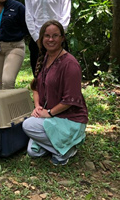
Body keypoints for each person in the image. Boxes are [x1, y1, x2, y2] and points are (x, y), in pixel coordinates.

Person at [22, 20, 88, 166]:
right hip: (51, 115)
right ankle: (57, 146)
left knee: (28, 125)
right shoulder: (45, 58)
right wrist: (38, 106)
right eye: (47, 36)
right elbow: (36, 87)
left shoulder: (70, 64)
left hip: (70, 119)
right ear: (41, 38)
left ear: (62, 38)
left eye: (55, 36)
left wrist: (49, 113)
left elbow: (70, 100)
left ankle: (66, 150)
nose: (50, 39)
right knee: (33, 152)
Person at [25, 0, 71, 75]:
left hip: (58, 41)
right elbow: (29, 16)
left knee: (60, 76)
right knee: (39, 76)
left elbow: (65, 16)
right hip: (37, 42)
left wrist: (57, 38)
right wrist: (37, 39)